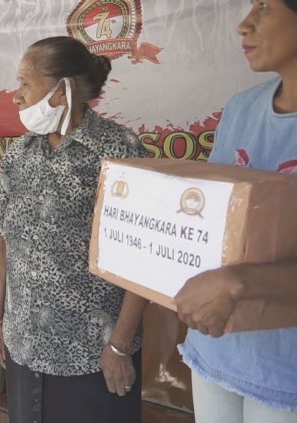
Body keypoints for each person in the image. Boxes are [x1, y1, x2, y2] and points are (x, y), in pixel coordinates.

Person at [0, 36, 148, 423]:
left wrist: (121, 346)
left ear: (63, 90)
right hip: (25, 346)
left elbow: (142, 257)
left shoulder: (118, 149)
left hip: (93, 353)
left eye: (26, 83)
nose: (17, 96)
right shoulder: (19, 154)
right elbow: (1, 239)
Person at [175, 1, 297, 421]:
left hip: (286, 372)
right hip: (216, 345)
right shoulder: (241, 108)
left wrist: (238, 281)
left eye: (264, 7)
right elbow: (215, 222)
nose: (244, 25)